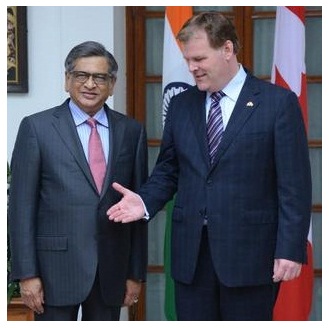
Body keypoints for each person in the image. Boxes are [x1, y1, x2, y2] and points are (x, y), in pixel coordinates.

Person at [107, 12, 312, 321]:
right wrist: (145, 201)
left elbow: (294, 185)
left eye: (199, 58)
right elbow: (169, 170)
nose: (192, 68)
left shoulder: (277, 103)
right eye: (188, 60)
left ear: (227, 49)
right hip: (192, 257)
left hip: (251, 258)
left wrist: (290, 248)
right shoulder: (182, 104)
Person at [8, 41, 148, 321]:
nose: (90, 84)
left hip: (111, 271)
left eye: (100, 77)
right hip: (53, 272)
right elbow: (21, 208)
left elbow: (138, 209)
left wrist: (135, 273)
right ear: (67, 80)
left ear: (112, 84)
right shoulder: (37, 128)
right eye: (81, 75)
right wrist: (26, 273)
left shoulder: (131, 131)